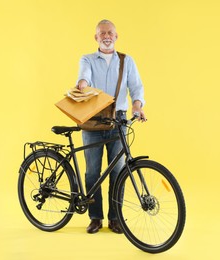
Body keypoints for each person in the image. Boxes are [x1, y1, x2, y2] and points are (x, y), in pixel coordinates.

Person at [76, 19, 147, 234]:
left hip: (119, 120)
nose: (106, 36)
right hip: (93, 119)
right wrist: (82, 85)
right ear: (96, 38)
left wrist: (137, 107)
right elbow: (84, 77)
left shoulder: (127, 61)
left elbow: (136, 88)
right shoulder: (87, 59)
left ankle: (115, 219)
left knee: (118, 171)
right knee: (92, 173)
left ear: (116, 36)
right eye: (102, 33)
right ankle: (95, 217)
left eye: (110, 33)